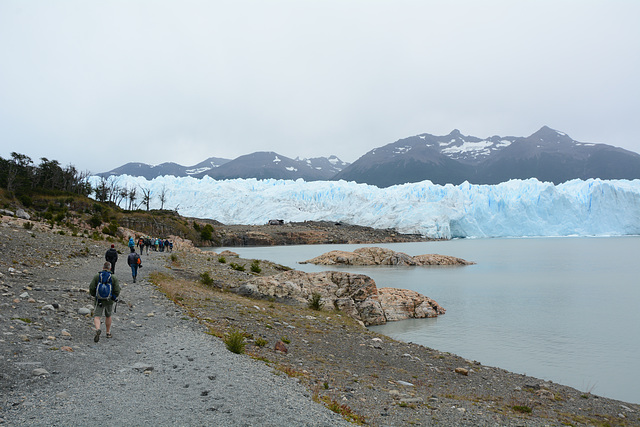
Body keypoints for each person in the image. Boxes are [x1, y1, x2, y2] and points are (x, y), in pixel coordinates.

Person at [89, 262, 121, 342]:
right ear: (110, 268)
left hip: (99, 300)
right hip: (109, 300)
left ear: (103, 267)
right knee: (108, 315)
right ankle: (108, 332)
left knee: (97, 316)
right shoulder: (113, 277)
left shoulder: (97, 276)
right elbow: (117, 289)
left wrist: (95, 295)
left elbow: (92, 287)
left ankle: (98, 329)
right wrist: (114, 297)